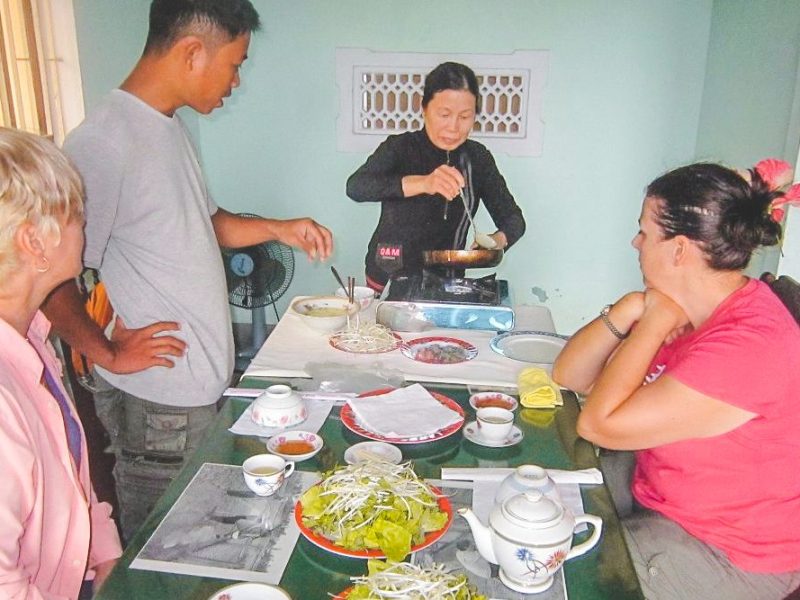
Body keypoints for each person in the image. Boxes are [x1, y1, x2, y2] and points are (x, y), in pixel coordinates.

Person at [42, 0, 333, 542]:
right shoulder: (104, 141)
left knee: (204, 541)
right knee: (165, 549)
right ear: (192, 52)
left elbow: (207, 223)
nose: (236, 80)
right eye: (236, 62)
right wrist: (107, 350)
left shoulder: (168, 127)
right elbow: (51, 279)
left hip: (196, 392)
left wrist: (279, 227)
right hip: (159, 408)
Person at [552, 161, 800, 600]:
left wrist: (653, 322)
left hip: (724, 552)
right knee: (544, 486)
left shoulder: (749, 343)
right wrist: (631, 308)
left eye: (645, 232)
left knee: (558, 569)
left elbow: (599, 424)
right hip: (661, 497)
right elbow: (570, 375)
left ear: (680, 250)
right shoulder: (697, 306)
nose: (636, 242)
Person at [0, 127, 122, 598]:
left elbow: (72, 477)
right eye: (75, 214)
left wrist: (107, 551)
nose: (85, 225)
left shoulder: (32, 338)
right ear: (35, 242)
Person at [346, 62, 525, 292]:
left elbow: (513, 219)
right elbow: (356, 187)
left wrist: (495, 242)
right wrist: (424, 183)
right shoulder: (400, 147)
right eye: (444, 114)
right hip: (389, 273)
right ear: (424, 108)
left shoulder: (477, 159)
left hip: (446, 281)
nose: (453, 127)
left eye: (464, 116)